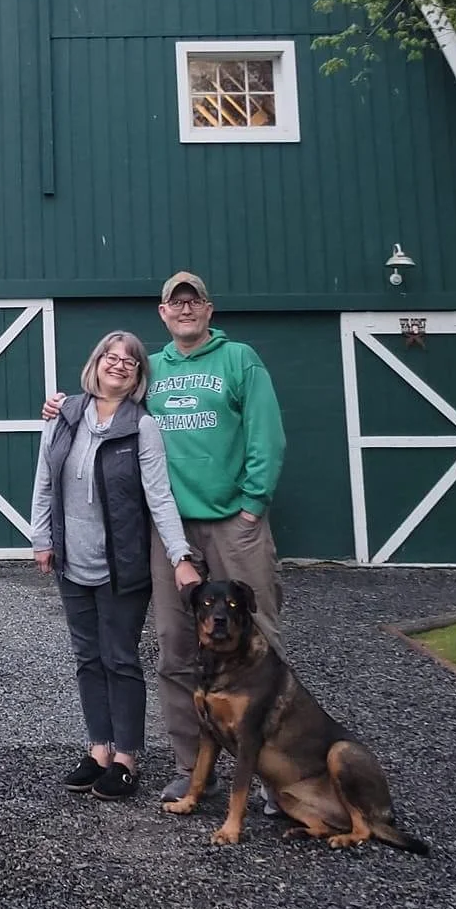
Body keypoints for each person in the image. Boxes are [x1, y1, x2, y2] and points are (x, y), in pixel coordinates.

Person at [42, 271, 286, 804]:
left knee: (257, 638)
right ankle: (190, 766)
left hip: (232, 525)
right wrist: (62, 411)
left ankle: (272, 774)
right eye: (176, 303)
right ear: (162, 313)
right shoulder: (155, 373)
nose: (185, 309)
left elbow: (267, 434)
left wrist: (252, 505)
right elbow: (105, 417)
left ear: (208, 308)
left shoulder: (239, 360)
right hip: (167, 528)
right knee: (176, 649)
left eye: (194, 301)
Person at [30, 330, 202, 801]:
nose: (120, 364)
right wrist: (41, 538)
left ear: (139, 374)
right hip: (71, 559)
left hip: (122, 565)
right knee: (87, 658)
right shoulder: (63, 415)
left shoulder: (141, 426)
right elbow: (45, 481)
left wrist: (180, 556)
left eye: (131, 360)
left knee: (120, 659)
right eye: (111, 355)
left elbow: (159, 495)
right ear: (96, 362)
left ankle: (127, 757)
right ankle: (98, 749)